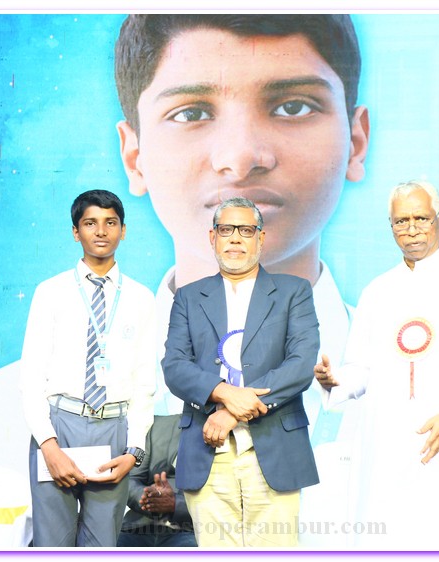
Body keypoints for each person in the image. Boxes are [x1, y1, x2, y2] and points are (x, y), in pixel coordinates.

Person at [114, 14, 369, 447]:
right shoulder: (19, 415)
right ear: (135, 157)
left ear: (356, 144)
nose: (241, 157)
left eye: (293, 107)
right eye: (191, 113)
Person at [314, 180, 439, 549]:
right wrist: (334, 380)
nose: (411, 229)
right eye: (401, 221)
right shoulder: (377, 291)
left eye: (421, 218)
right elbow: (361, 369)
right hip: (384, 444)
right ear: (390, 226)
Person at [161, 196, 320, 547]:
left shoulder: (293, 292)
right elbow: (174, 366)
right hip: (207, 450)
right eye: (226, 230)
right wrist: (224, 394)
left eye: (246, 230)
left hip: (274, 447)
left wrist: (232, 413)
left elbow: (300, 364)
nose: (235, 238)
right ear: (212, 237)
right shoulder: (189, 297)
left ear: (261, 238)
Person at [19, 189, 156, 547]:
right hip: (59, 426)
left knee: (101, 545)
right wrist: (48, 446)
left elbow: (145, 382)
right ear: (75, 232)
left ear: (123, 231)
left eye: (111, 222)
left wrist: (134, 451)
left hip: (113, 429)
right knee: (52, 544)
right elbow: (31, 376)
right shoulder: (50, 292)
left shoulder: (141, 297)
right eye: (90, 223)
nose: (101, 231)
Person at [117, 413, 197, 547]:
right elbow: (131, 479)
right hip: (138, 525)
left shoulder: (228, 438)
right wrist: (150, 499)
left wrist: (175, 504)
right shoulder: (155, 425)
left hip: (191, 530)